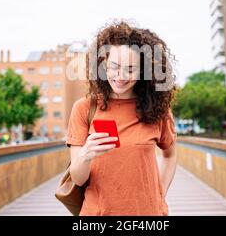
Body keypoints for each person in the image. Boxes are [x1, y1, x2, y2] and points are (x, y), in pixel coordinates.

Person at [66, 20, 178, 216]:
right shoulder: (84, 108)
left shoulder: (158, 109)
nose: (121, 76)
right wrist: (86, 154)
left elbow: (170, 155)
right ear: (103, 65)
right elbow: (78, 179)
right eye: (115, 67)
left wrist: (159, 195)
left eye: (130, 69)